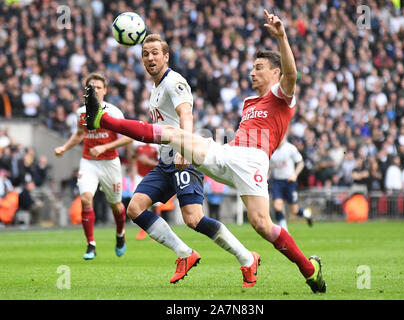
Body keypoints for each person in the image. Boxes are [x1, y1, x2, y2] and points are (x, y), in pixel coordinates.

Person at [84, 11, 326, 293]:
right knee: (174, 141)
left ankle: (309, 270)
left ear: (275, 73)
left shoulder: (281, 95)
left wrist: (282, 36)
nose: (252, 72)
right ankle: (101, 118)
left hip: (253, 162)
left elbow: (292, 73)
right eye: (252, 67)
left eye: (259, 68)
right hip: (227, 153)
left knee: (262, 225)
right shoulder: (248, 102)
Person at [87, 34, 259, 287]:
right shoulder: (155, 89)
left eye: (155, 52)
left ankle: (247, 258)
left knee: (193, 219)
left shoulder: (174, 81)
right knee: (134, 208)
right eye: (145, 53)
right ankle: (185, 254)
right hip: (165, 162)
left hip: (184, 158)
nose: (150, 57)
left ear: (166, 56)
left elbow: (186, 113)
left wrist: (184, 148)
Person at [54, 72, 133, 260]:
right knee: (86, 199)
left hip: (110, 163)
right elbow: (80, 134)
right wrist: (64, 147)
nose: (95, 90)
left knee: (116, 206)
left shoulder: (113, 112)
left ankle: (120, 234)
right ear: (86, 91)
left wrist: (105, 146)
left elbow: (129, 136)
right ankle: (91, 245)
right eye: (91, 87)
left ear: (105, 90)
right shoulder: (80, 112)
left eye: (98, 87)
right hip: (88, 162)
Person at [269, 137, 313, 231]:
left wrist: (295, 174)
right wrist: (267, 175)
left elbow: (301, 163)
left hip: (290, 182)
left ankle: (307, 214)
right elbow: (271, 166)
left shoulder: (290, 148)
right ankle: (285, 230)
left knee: (294, 210)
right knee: (277, 206)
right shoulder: (271, 148)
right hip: (277, 181)